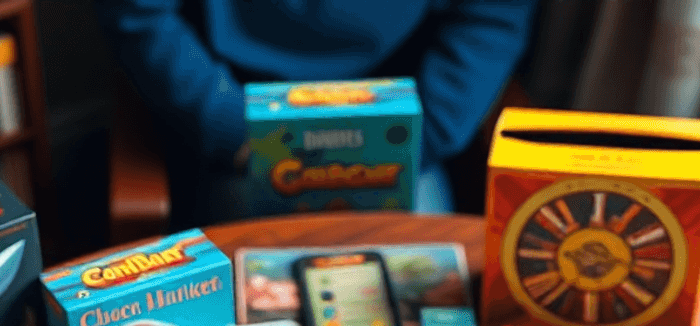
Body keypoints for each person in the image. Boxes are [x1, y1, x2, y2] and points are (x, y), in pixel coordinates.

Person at [97, 0, 539, 220]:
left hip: (403, 128)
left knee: (416, 287)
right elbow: (141, 16)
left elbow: (493, 17)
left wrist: (418, 135)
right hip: (238, 128)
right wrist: (231, 129)